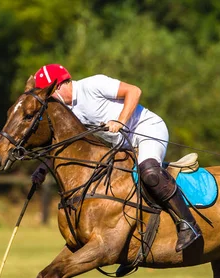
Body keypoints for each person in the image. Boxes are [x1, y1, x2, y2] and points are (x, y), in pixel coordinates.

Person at [31, 64, 201, 252]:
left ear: (59, 86)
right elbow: (64, 145)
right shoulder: (69, 111)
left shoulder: (93, 85)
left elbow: (134, 91)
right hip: (123, 146)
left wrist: (120, 120)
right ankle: (131, 246)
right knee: (116, 189)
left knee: (150, 173)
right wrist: (43, 168)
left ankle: (188, 224)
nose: (49, 100)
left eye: (49, 94)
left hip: (147, 130)